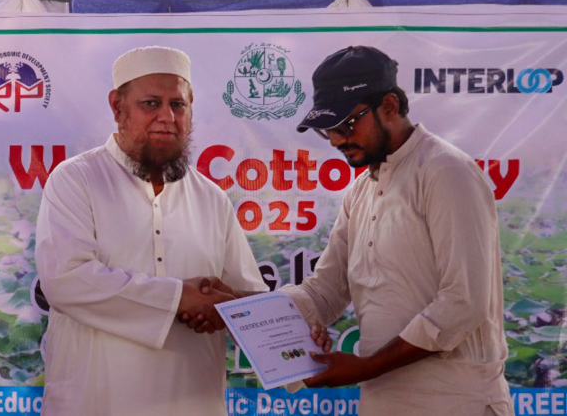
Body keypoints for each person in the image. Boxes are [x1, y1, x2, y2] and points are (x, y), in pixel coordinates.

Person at [34, 46, 268, 416]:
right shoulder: (76, 179)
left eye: (178, 105)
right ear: (117, 107)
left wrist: (231, 309)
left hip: (194, 405)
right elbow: (65, 280)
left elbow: (249, 296)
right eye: (151, 103)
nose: (167, 117)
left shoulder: (211, 198)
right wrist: (181, 298)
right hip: (93, 404)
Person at [284, 45, 512, 414]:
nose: (337, 140)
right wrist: (241, 308)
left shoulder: (445, 171)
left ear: (389, 106)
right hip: (382, 400)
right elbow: (325, 291)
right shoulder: (360, 191)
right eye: (328, 131)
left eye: (345, 125)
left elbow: (463, 302)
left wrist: (366, 368)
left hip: (455, 402)